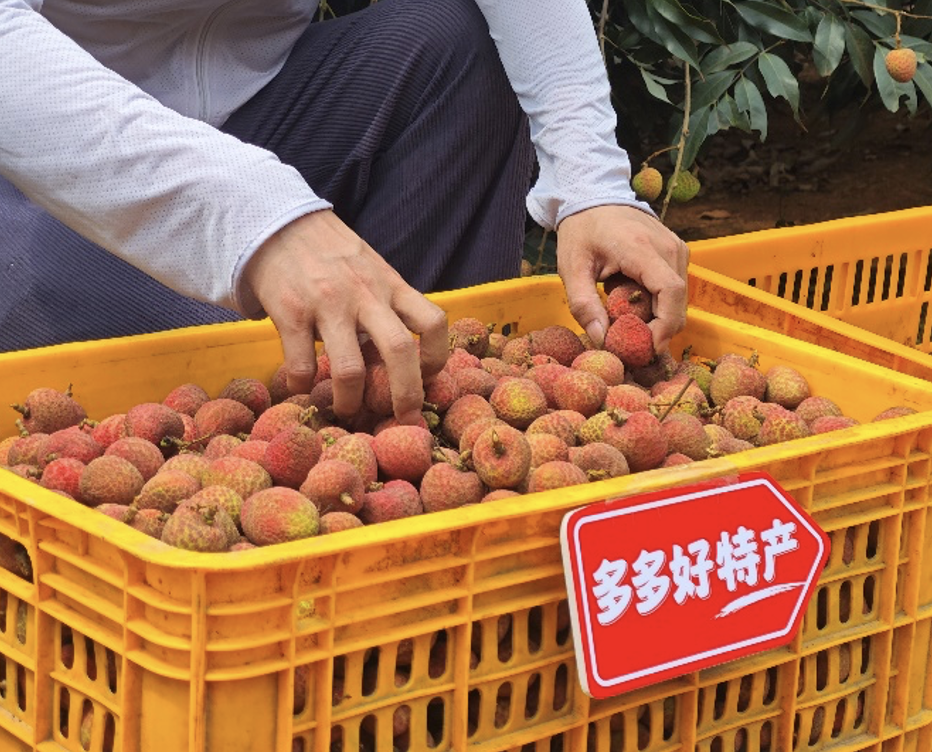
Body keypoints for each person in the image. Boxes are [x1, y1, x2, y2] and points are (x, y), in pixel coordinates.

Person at [0, 0, 689, 426]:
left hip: (268, 107)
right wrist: (256, 217)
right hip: (40, 162)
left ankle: (420, 411)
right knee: (207, 383)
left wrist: (591, 182)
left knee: (458, 48)